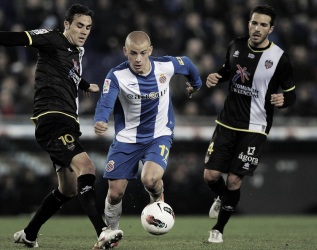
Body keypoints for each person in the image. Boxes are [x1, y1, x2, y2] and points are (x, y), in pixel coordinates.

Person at [0, 4, 123, 249]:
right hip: (51, 119)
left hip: (67, 121)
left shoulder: (78, 50)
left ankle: (29, 234)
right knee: (87, 167)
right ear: (67, 24)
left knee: (67, 189)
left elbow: (71, 73)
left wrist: (86, 85)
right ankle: (102, 232)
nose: (84, 31)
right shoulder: (51, 37)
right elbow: (19, 38)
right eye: (79, 25)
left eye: (88, 27)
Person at [93, 31, 202, 244]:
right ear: (125, 52)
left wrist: (195, 84)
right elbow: (106, 101)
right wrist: (101, 119)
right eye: (133, 53)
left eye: (143, 53)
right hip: (127, 138)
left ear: (150, 51)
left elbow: (187, 64)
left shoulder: (165, 66)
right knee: (115, 194)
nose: (138, 59)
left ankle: (157, 200)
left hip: (159, 135)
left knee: (150, 179)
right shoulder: (116, 75)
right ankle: (111, 234)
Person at [203, 5, 296, 243]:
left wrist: (283, 99)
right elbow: (227, 71)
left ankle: (218, 229)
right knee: (210, 176)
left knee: (234, 180)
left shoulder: (279, 58)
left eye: (263, 25)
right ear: (249, 24)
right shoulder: (235, 45)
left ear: (271, 29)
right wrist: (216, 76)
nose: (257, 28)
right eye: (254, 23)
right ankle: (223, 198)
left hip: (255, 127)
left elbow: (291, 93)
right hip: (227, 122)